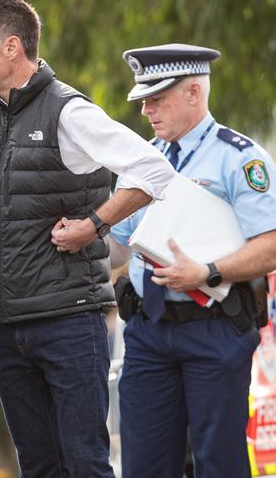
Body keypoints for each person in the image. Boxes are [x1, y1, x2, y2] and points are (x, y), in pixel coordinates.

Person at [0, 0, 176, 476]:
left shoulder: (69, 111)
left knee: (85, 463)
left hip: (69, 323)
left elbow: (153, 170)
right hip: (8, 325)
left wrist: (94, 224)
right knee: (38, 467)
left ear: (11, 47)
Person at [109, 43, 276, 478]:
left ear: (194, 92)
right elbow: (118, 245)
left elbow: (272, 244)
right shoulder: (140, 161)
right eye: (143, 100)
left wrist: (208, 272)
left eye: (156, 98)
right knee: (143, 465)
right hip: (148, 332)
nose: (146, 110)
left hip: (215, 329)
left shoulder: (240, 159)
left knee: (218, 465)